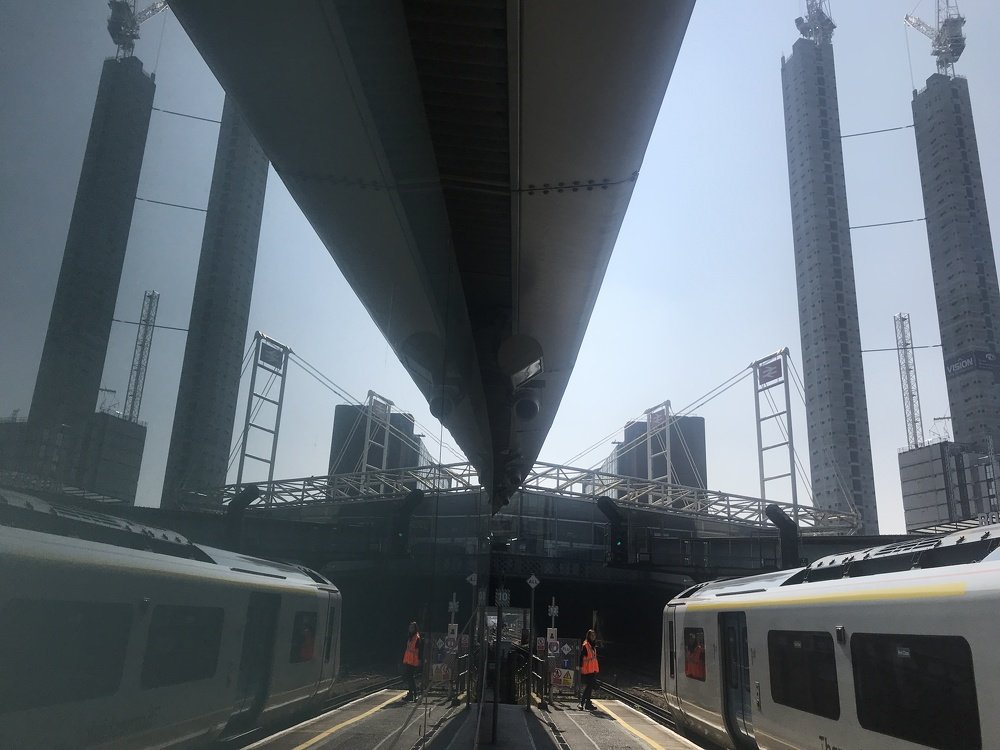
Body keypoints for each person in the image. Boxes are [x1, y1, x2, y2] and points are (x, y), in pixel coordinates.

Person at [578, 629, 600, 710]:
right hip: (587, 670)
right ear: (588, 636)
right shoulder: (586, 645)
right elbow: (581, 657)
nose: (593, 637)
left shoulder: (593, 645)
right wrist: (580, 667)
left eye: (594, 635)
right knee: (589, 686)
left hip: (592, 669)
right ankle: (582, 703)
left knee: (590, 687)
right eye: (592, 635)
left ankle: (587, 704)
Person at [401, 621, 422, 702]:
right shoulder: (410, 637)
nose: (410, 629)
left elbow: (419, 650)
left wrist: (419, 660)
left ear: (415, 629)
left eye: (412, 627)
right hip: (409, 660)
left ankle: (414, 694)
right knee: (409, 677)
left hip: (413, 660)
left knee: (410, 677)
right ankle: (411, 694)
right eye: (410, 627)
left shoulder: (416, 637)